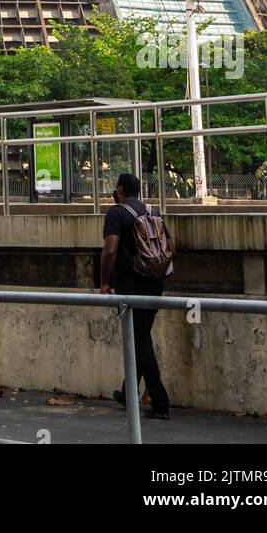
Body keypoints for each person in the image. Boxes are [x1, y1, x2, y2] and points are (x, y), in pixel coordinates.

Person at [100, 171, 170, 420]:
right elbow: (169, 247)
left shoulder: (116, 213)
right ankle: (127, 392)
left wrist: (104, 282)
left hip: (130, 285)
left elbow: (110, 249)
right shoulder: (153, 212)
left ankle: (160, 402)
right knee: (140, 337)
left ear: (119, 189)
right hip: (155, 283)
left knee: (140, 339)